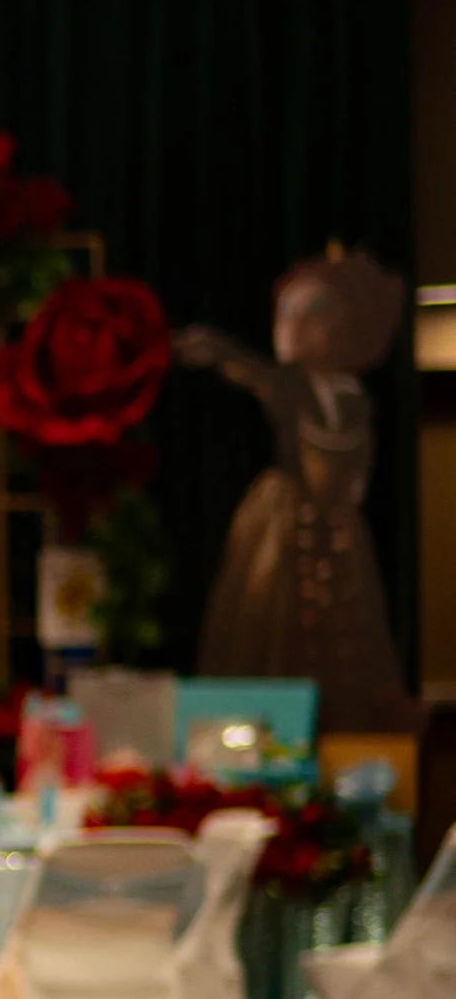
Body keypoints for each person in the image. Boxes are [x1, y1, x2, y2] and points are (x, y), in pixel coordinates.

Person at [176, 249, 417, 733]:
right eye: (287, 314)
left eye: (315, 314)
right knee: (266, 626)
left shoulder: (349, 398)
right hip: (285, 524)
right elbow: (257, 376)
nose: (295, 327)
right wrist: (220, 353)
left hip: (336, 526)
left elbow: (350, 463)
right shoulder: (289, 387)